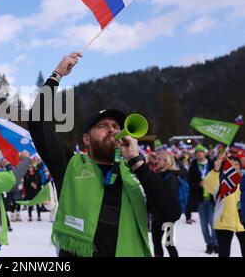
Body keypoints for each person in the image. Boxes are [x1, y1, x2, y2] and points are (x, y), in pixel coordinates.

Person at [28, 52, 181, 257]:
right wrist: (56, 76)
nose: (112, 130)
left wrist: (137, 161)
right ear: (86, 139)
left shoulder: (135, 173)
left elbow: (171, 213)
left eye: (116, 126)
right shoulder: (68, 164)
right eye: (102, 126)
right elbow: (37, 124)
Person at [203, 155, 245, 257]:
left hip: (242, 222)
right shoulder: (220, 180)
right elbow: (208, 185)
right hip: (223, 223)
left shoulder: (243, 181)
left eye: (237, 164)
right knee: (224, 254)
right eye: (231, 164)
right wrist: (216, 170)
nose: (234, 166)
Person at [150, 151, 181, 257]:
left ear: (166, 161)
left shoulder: (171, 176)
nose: (156, 161)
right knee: (156, 243)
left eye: (159, 159)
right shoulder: (158, 174)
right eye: (156, 158)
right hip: (156, 215)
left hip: (168, 216)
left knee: (169, 243)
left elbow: (169, 198)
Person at [188, 144, 217, 254]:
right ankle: (209, 244)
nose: (199, 153)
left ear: (205, 153)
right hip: (200, 200)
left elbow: (218, 178)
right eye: (197, 152)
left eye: (201, 151)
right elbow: (190, 182)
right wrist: (199, 184)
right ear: (195, 154)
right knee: (204, 225)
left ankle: (215, 243)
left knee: (212, 223)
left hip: (211, 199)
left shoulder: (211, 164)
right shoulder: (193, 166)